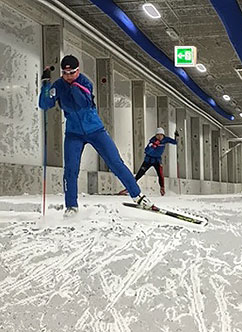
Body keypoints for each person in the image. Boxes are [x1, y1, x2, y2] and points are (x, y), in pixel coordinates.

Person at [39, 55, 152, 217]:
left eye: (72, 73)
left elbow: (82, 103)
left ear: (78, 71)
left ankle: (138, 196)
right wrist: (46, 84)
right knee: (70, 170)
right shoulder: (58, 85)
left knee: (115, 162)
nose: (69, 76)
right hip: (73, 134)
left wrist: (72, 87)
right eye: (65, 73)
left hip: (96, 131)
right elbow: (45, 104)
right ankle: (71, 206)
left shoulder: (85, 83)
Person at [134, 127, 179, 196]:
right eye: (158, 135)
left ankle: (162, 188)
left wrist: (177, 136)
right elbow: (146, 151)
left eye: (161, 135)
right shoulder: (152, 141)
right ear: (155, 135)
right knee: (140, 173)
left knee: (160, 174)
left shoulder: (165, 139)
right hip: (148, 160)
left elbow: (175, 142)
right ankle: (131, 186)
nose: (159, 137)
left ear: (163, 135)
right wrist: (154, 145)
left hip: (157, 160)